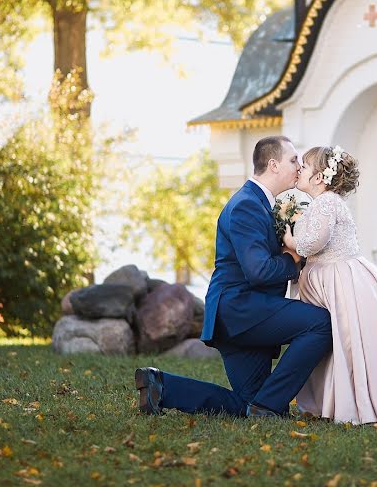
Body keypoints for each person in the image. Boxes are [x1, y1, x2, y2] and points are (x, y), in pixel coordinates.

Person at [135, 136, 333, 418]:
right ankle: (269, 405)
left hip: (242, 315)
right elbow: (259, 271)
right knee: (320, 324)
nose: (299, 166)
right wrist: (292, 259)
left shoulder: (261, 204)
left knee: (247, 404)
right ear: (273, 165)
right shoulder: (247, 205)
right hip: (241, 309)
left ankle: (163, 387)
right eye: (293, 160)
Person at [283, 145, 377, 424]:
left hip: (340, 279)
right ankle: (333, 401)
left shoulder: (327, 202)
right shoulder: (319, 204)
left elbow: (312, 243)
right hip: (326, 279)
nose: (299, 168)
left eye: (304, 164)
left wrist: (290, 240)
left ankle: (359, 402)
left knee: (347, 340)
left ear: (319, 178)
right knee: (332, 341)